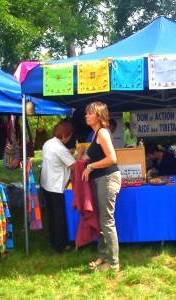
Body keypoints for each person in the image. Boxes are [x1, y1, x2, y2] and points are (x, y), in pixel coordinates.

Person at [81, 102, 121, 272]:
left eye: (90, 113)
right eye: (86, 113)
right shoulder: (96, 133)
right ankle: (103, 256)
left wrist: (90, 167)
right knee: (103, 220)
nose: (86, 116)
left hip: (107, 178)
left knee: (107, 221)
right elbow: (90, 156)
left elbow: (112, 158)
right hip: (101, 179)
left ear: (98, 115)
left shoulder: (103, 132)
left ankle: (113, 263)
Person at [40, 120, 83, 252]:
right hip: (56, 187)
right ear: (64, 135)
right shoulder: (59, 148)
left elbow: (60, 155)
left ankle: (52, 241)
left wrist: (69, 151)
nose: (70, 138)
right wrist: (80, 153)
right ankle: (60, 245)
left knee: (52, 216)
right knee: (59, 217)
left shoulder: (49, 143)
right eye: (69, 136)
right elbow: (74, 166)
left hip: (46, 184)